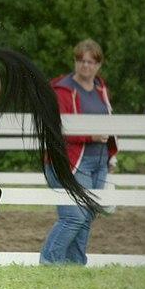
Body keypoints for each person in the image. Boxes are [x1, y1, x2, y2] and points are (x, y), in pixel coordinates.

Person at [40, 39, 118, 265]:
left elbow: (110, 122)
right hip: (72, 161)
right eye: (81, 61)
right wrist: (91, 137)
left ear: (98, 65)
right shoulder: (62, 90)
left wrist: (111, 152)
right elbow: (58, 129)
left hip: (99, 160)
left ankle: (75, 263)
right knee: (75, 216)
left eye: (91, 62)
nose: (86, 66)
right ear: (75, 62)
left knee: (88, 215)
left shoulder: (101, 89)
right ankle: (49, 259)